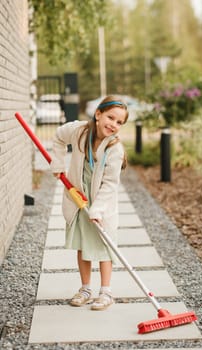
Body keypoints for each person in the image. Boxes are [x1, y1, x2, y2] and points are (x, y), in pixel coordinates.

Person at [50, 95, 128, 310]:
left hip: (101, 201)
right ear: (98, 114)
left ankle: (106, 292)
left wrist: (98, 209)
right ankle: (85, 288)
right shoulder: (79, 131)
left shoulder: (115, 149)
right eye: (110, 117)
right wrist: (58, 164)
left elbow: (110, 184)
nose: (113, 124)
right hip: (78, 197)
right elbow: (57, 137)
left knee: (104, 244)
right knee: (83, 244)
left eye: (119, 122)